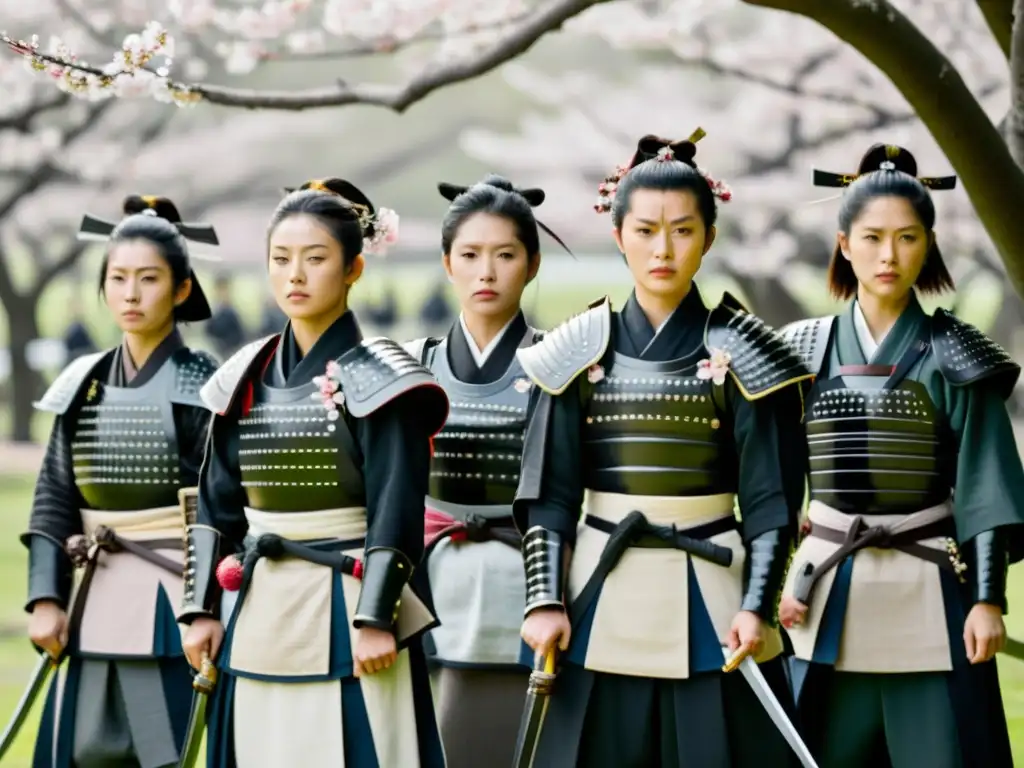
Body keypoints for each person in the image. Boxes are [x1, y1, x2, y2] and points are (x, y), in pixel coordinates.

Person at [512, 132, 811, 767]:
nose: (663, 248)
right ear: (618, 234)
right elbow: (549, 492)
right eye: (646, 230)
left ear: (708, 236)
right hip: (596, 585)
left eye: (682, 230)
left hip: (716, 593)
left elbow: (771, 502)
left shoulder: (750, 355)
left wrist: (758, 606)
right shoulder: (575, 349)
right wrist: (544, 598)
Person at [178, 178, 449, 767]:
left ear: (353, 269)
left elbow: (396, 506)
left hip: (350, 606)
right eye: (280, 259)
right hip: (257, 605)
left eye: (315, 259)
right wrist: (199, 609)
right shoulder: (244, 374)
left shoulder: (383, 377)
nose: (294, 275)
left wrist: (377, 617)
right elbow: (216, 502)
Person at [778, 144, 1023, 768]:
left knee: (943, 750)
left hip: (932, 589)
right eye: (873, 237)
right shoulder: (800, 353)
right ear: (844, 243)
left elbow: (986, 486)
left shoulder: (957, 355)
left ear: (929, 244)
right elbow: (768, 484)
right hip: (825, 584)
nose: (890, 256)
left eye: (908, 238)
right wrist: (767, 587)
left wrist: (988, 598)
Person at [23, 194, 220, 768]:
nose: (131, 294)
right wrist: (44, 595)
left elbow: (219, 505)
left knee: (159, 749)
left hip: (167, 599)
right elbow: (53, 495)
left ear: (182, 289)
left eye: (149, 279)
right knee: (78, 747)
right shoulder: (80, 381)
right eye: (118, 278)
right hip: (89, 589)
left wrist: (202, 604)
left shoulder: (203, 384)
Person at [407, 175, 567, 766]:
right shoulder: (415, 366)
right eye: (470, 255)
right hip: (430, 583)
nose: (487, 273)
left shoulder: (563, 364)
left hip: (531, 584)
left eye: (505, 255)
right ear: (447, 263)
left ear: (533, 264)